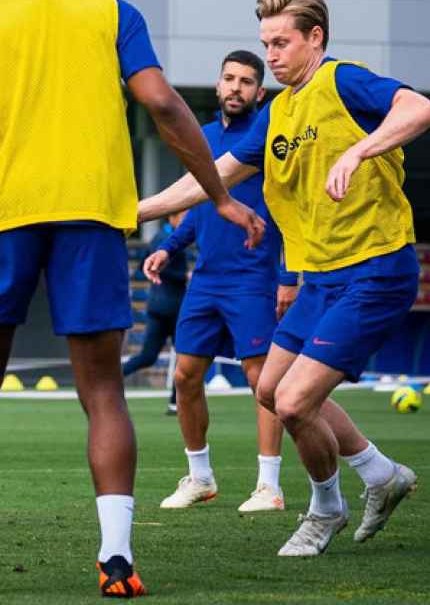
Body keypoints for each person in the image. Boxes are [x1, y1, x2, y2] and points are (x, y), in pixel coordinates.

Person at [0, 0, 262, 597]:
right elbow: (165, 105)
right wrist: (220, 193)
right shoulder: (110, 8)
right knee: (104, 388)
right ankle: (116, 558)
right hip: (91, 213)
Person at [138, 0, 430, 558]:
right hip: (321, 278)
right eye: (264, 44)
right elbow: (211, 177)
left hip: (376, 269)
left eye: (281, 42)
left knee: (296, 400)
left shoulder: (343, 81)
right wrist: (130, 213)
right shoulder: (278, 111)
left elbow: (419, 109)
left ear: (315, 38)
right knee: (270, 389)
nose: (270, 55)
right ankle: (380, 474)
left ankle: (326, 509)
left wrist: (360, 151)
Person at [143, 50, 296, 515]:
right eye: (229, 79)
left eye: (247, 81)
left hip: (254, 277)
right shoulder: (203, 138)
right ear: (217, 85)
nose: (236, 88)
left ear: (259, 92)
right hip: (204, 280)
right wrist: (169, 245)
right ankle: (200, 477)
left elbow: (292, 211)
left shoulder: (269, 138)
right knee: (187, 376)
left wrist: (289, 276)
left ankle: (268, 485)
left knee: (261, 382)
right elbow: (200, 204)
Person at [120, 212, 188, 415]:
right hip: (173, 306)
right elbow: (161, 268)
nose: (186, 219)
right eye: (184, 215)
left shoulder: (157, 236)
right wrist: (185, 275)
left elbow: (143, 265)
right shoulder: (169, 240)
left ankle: (110, 380)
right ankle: (176, 403)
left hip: (156, 305)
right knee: (184, 357)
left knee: (148, 356)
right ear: (172, 217)